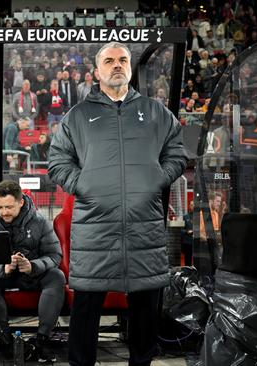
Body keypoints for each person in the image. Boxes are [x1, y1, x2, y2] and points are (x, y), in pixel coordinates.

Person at [48, 41, 188, 366]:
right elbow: (57, 161)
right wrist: (84, 185)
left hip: (144, 229)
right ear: (97, 71)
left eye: (122, 59)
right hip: (95, 230)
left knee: (144, 314)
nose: (116, 65)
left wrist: (157, 178)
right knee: (86, 314)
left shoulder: (154, 112)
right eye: (109, 60)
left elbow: (177, 151)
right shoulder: (78, 116)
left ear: (130, 67)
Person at [0, 180, 65, 363]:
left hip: (31, 275)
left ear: (21, 202)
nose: (4, 212)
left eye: (9, 207)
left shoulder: (40, 222)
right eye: (0, 207)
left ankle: (41, 340)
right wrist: (3, 268)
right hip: (4, 276)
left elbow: (55, 255)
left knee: (57, 276)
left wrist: (33, 266)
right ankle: (5, 339)